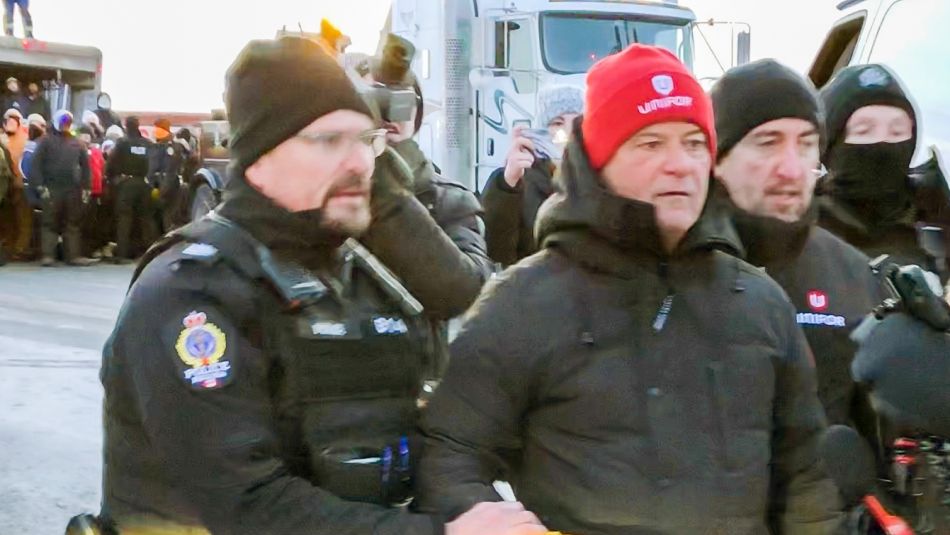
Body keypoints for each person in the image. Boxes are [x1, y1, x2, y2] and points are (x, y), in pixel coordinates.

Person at [93, 36, 546, 535]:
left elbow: (422, 436)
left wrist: (473, 505)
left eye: (365, 140)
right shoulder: (192, 293)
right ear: (261, 156)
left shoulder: (361, 273)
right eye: (329, 141)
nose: (360, 164)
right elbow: (244, 505)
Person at [418, 44, 841, 534]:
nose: (679, 164)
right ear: (600, 163)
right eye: (650, 144)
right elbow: (449, 452)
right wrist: (485, 518)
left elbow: (806, 479)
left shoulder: (760, 302)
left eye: (693, 143)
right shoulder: (524, 302)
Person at [710, 60, 881, 436]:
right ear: (717, 158)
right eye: (768, 143)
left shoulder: (854, 274)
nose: (791, 168)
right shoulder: (674, 266)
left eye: (805, 145)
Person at [358, 33, 493, 372]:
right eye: (374, 98)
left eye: (400, 101)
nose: (388, 112)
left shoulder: (450, 198)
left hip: (413, 372)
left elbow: (465, 290)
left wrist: (383, 170)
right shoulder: (323, 186)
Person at [817, 64, 948, 280]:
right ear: (832, 144)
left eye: (897, 131)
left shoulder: (938, 220)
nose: (883, 143)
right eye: (864, 131)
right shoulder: (796, 228)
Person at [481, 85, 583, 267]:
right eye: (557, 123)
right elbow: (495, 251)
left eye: (578, 123)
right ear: (541, 130)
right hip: (532, 289)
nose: (568, 132)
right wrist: (508, 182)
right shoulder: (519, 179)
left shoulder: (601, 177)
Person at [31, 110, 94, 266]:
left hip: (72, 190)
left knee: (72, 224)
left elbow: (86, 167)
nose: (65, 125)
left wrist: (86, 187)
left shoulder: (76, 143)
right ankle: (48, 256)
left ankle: (72, 256)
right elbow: (36, 166)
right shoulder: (45, 141)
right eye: (64, 121)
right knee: (49, 223)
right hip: (51, 188)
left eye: (68, 122)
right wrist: (40, 186)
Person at [105, 116, 155, 263]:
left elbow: (111, 164)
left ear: (126, 126)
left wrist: (112, 178)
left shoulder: (122, 143)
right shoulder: (147, 144)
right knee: (145, 219)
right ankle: (145, 252)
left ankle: (122, 254)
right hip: (144, 185)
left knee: (124, 219)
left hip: (126, 184)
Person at [0, 108, 31, 260]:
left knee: (21, 218)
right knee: (7, 219)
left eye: (14, 120)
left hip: (20, 186)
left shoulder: (25, 138)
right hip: (5, 187)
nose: (10, 123)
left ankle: (19, 248)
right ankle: (8, 247)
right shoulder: (2, 138)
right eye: (8, 120)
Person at [148, 117, 185, 232]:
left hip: (162, 187)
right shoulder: (175, 146)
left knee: (164, 220)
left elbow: (157, 169)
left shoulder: (163, 147)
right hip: (171, 185)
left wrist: (158, 189)